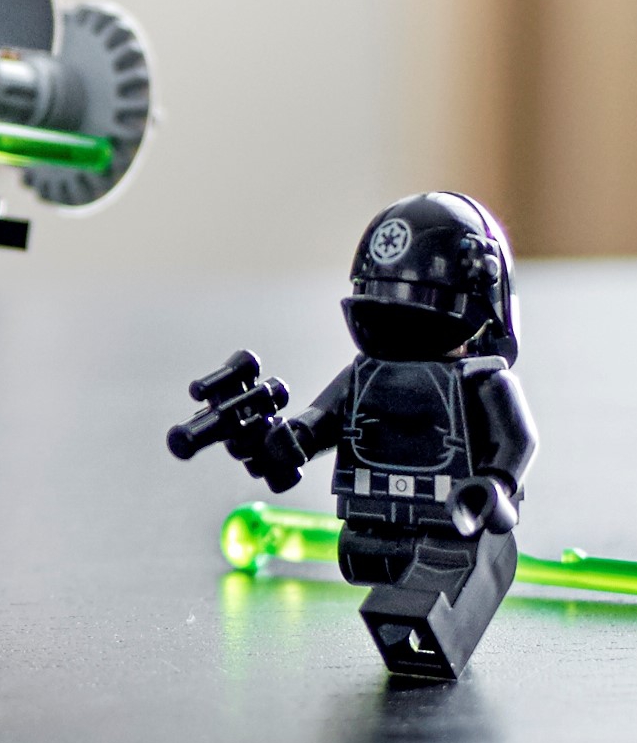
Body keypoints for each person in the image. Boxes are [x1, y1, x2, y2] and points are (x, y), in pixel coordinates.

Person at [171, 192, 533, 685]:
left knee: (432, 587)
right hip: (370, 523)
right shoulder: (363, 376)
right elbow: (313, 428)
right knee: (380, 573)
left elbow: (517, 441)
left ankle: (423, 633)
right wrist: (275, 444)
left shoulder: (482, 381)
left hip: (451, 524)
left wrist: (494, 485)